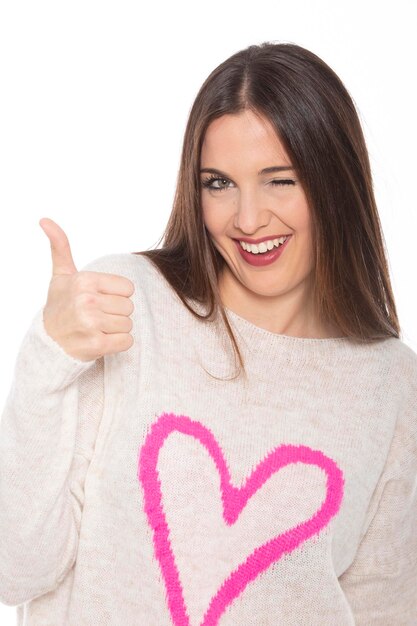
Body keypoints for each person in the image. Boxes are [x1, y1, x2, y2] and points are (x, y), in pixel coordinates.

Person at [0, 41, 416, 626]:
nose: (247, 220)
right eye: (218, 184)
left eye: (281, 181)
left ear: (334, 183)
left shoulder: (391, 383)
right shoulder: (126, 303)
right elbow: (17, 569)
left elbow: (385, 610)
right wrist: (50, 353)